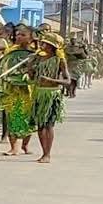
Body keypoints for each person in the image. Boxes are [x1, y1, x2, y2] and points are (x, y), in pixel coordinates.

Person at [29, 30, 73, 163]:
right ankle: (43, 152)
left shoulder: (60, 60)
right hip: (39, 93)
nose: (42, 45)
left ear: (52, 46)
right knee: (40, 125)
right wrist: (30, 67)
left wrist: (51, 80)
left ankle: (47, 154)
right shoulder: (38, 58)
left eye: (45, 44)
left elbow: (68, 81)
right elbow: (32, 77)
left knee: (48, 125)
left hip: (52, 95)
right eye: (42, 43)